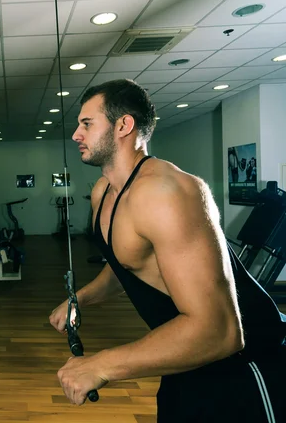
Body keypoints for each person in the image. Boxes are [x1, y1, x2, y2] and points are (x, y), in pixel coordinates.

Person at [48, 79, 286, 422]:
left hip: (247, 365)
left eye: (87, 124)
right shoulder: (104, 192)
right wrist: (80, 299)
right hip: (185, 359)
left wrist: (100, 365)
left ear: (123, 126)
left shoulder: (165, 191)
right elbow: (126, 261)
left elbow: (219, 331)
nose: (76, 134)